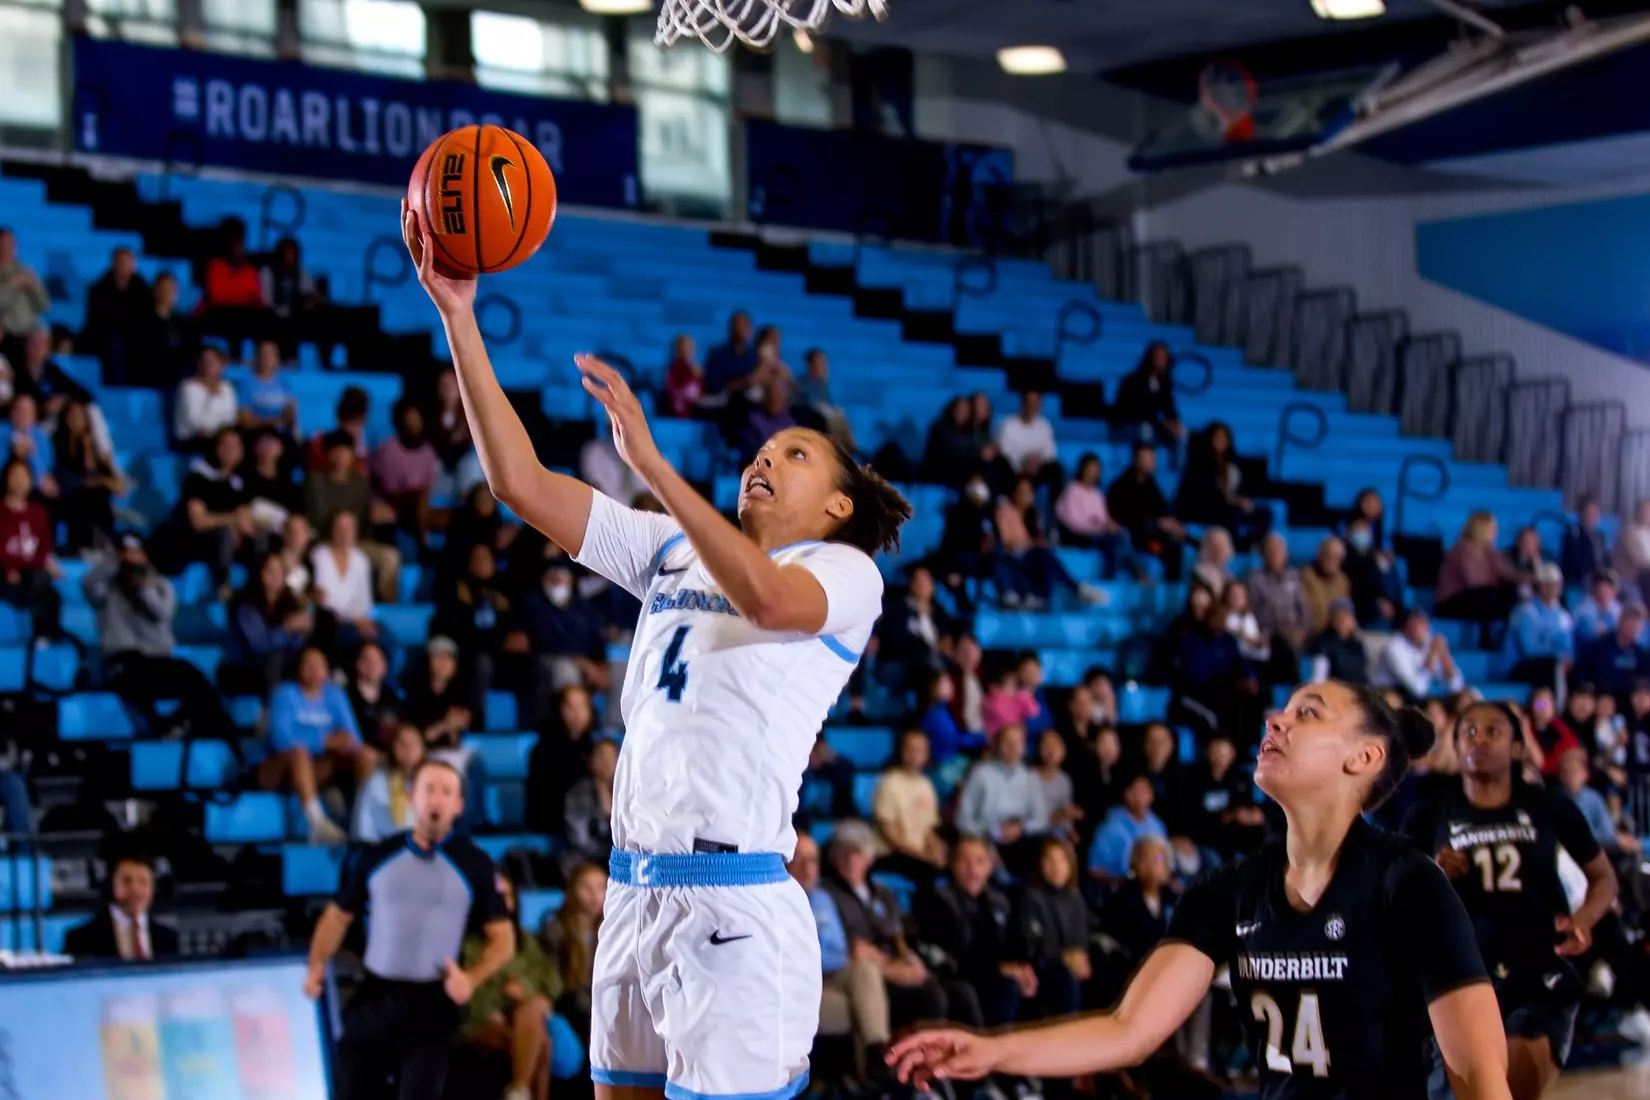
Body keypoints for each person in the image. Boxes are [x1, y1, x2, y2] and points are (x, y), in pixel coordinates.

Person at [402, 199, 912, 1100]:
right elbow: (519, 483)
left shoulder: (843, 573)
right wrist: (458, 317)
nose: (764, 458)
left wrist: (652, 466)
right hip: (632, 893)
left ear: (838, 506)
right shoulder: (672, 547)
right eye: (762, 449)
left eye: (794, 455)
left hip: (733, 899)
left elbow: (766, 598)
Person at [888, 682, 1510, 1100]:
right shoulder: (1229, 890)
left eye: (1308, 713)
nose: (1276, 719)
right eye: (1284, 709)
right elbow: (1128, 1030)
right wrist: (990, 1050)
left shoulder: (1408, 882)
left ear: (1364, 758)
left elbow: (1479, 1074)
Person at [1403, 700, 1617, 1100]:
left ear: (1518, 747)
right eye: (1469, 731)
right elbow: (1395, 897)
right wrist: (1432, 872)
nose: (1479, 740)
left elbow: (1603, 876)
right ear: (1456, 745)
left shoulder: (1549, 805)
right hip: (1460, 973)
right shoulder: (1429, 813)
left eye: (1493, 732)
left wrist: (1585, 917)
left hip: (1537, 969)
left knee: (1508, 1083)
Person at [304, 759, 513, 1100]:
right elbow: (337, 916)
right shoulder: (376, 856)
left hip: (434, 1002)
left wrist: (471, 978)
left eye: (446, 792)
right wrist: (316, 965)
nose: (436, 799)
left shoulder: (474, 864)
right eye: (429, 789)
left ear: (459, 805)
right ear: (412, 797)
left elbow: (503, 939)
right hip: (376, 994)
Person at [789, 834, 893, 1088]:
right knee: (860, 1007)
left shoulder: (823, 898)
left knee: (865, 971)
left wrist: (833, 957)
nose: (808, 867)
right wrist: (830, 957)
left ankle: (877, 1057)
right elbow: (794, 959)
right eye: (799, 859)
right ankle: (876, 1078)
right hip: (796, 986)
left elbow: (840, 951)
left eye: (813, 860)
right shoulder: (779, 901)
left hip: (830, 976)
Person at [459, 868, 559, 1100]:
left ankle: (518, 1091)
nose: (501, 903)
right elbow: (469, 994)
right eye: (493, 896)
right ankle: (519, 1090)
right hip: (478, 1020)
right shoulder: (463, 942)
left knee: (535, 1008)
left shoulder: (524, 939)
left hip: (521, 1016)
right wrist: (504, 995)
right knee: (541, 1043)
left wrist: (525, 987)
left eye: (506, 896)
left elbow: (551, 979)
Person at [260, 645, 376, 844]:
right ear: (298, 668)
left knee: (364, 754)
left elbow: (353, 738)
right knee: (299, 753)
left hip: (318, 768)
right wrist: (325, 742)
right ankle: (317, 822)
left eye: (320, 665)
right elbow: (281, 741)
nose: (315, 671)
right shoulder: (285, 694)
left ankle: (366, 821)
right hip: (282, 769)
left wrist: (335, 743)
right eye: (309, 665)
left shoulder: (335, 695)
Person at [62, 852, 179, 961]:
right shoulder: (81, 938)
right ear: (111, 884)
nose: (135, 889)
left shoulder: (169, 938)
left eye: (143, 881)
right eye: (126, 881)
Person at [872, 729, 947, 884]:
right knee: (926, 872)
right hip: (893, 852)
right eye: (910, 749)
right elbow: (889, 833)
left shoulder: (926, 785)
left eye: (920, 750)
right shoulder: (889, 783)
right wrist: (922, 855)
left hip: (919, 852)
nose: (915, 755)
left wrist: (938, 849)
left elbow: (928, 830)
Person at [353, 722, 425, 842]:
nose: (409, 748)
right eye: (402, 743)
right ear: (392, 748)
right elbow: (363, 829)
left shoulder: (431, 784)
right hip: (385, 847)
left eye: (414, 743)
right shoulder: (376, 784)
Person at [1375, 610, 1466, 703]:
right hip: (1387, 690)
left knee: (1465, 698)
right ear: (1405, 628)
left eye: (1423, 624)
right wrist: (1432, 655)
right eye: (1415, 624)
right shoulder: (1394, 647)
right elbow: (1418, 689)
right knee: (1434, 708)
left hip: (1414, 695)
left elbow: (1457, 686)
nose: (1421, 628)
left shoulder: (1429, 642)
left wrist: (1445, 656)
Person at [1111, 341, 1184, 453]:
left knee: (1182, 432)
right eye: (1158, 356)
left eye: (1163, 357)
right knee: (1146, 429)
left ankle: (1177, 463)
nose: (1161, 360)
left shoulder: (1165, 383)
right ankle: (1145, 459)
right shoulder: (1134, 380)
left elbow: (1169, 407)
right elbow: (1137, 410)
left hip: (1155, 424)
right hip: (1130, 423)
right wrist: (1163, 423)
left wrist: (1174, 422)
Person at [1507, 563, 1573, 686]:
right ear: (1539, 586)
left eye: (1554, 585)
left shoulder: (1563, 616)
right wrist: (1557, 655)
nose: (1551, 589)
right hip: (1520, 665)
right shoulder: (1526, 612)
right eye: (1547, 584)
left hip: (1552, 664)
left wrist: (1566, 659)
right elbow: (1529, 650)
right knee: (1551, 667)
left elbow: (1568, 648)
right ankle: (1546, 699)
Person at [174, 344, 239, 453]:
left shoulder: (227, 387)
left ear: (221, 365)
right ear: (198, 363)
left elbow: (231, 417)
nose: (208, 365)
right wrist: (212, 396)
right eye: (204, 361)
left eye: (213, 361)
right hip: (193, 438)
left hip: (222, 435)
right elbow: (196, 422)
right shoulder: (188, 387)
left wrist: (222, 431)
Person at [997, 391, 1058, 486]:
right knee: (1001, 464)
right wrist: (1024, 461)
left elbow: (1051, 453)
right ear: (1023, 404)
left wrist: (1037, 461)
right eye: (1029, 403)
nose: (1031, 407)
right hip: (1016, 470)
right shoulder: (1008, 424)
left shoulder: (1045, 426)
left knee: (1056, 468)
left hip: (1038, 469)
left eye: (1035, 404)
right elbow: (1004, 450)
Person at [1561, 496, 1611, 585]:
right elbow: (1575, 563)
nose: (1593, 516)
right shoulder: (1573, 535)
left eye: (1596, 512)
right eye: (1590, 512)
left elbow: (1606, 560)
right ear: (1581, 513)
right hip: (1580, 580)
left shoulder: (1600, 537)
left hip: (1600, 579)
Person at [664, 334, 703, 417]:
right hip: (683, 407)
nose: (686, 350)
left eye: (689, 347)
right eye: (683, 348)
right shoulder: (674, 370)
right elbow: (674, 393)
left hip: (698, 403)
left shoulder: (697, 369)